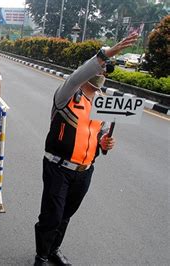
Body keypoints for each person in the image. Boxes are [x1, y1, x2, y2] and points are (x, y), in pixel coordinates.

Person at [34, 32, 139, 266]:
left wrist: (104, 142)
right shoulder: (67, 94)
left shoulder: (101, 102)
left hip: (84, 171)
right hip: (58, 168)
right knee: (51, 216)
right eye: (99, 67)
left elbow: (98, 133)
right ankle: (41, 256)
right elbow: (75, 78)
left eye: (105, 69)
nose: (102, 72)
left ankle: (54, 250)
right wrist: (106, 54)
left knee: (65, 216)